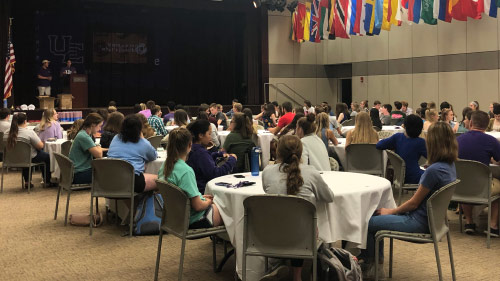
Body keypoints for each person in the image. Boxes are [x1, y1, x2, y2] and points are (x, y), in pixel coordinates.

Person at [359, 122, 457, 278]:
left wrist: (391, 211)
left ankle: (372, 267)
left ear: (432, 142)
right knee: (377, 217)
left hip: (419, 222)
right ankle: (375, 264)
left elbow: (413, 203)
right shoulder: (449, 166)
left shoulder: (433, 171)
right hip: (434, 222)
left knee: (368, 221)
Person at [261, 135, 334, 281]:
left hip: (270, 236)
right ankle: (297, 276)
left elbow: (267, 193)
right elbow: (329, 197)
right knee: (304, 225)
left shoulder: (267, 171)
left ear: (278, 152)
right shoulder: (311, 172)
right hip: (304, 238)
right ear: (301, 152)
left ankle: (276, 266)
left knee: (284, 222)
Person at [158, 128, 223, 229]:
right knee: (226, 207)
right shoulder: (186, 171)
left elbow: (184, 195)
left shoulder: (165, 165)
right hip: (193, 220)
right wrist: (208, 202)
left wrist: (201, 198)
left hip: (173, 218)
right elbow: (198, 206)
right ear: (189, 145)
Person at [457, 111, 500, 236]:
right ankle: (493, 225)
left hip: (460, 188)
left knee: (465, 179)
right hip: (482, 189)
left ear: (470, 123)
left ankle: (469, 222)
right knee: (498, 186)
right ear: (487, 126)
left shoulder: (458, 140)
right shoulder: (491, 141)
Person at [108, 114, 158, 193]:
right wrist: (142, 138)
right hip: (131, 182)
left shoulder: (116, 138)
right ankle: (148, 205)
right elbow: (153, 156)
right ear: (139, 129)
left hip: (110, 180)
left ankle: (137, 204)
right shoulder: (143, 143)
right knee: (161, 181)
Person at [186, 119, 237, 193]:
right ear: (200, 135)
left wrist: (216, 154)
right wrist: (232, 160)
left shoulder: (193, 148)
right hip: (204, 191)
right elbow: (215, 174)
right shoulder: (201, 153)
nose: (210, 137)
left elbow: (202, 163)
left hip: (196, 188)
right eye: (209, 134)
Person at [5, 113, 52, 188]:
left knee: (25, 155)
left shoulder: (6, 133)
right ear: (25, 121)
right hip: (29, 157)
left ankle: (27, 181)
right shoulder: (29, 132)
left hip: (10, 158)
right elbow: (40, 146)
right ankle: (47, 181)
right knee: (47, 157)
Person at [376, 115, 427, 184]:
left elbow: (379, 145)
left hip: (400, 176)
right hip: (414, 177)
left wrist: (393, 147)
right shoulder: (421, 142)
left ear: (405, 126)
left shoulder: (397, 137)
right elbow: (432, 157)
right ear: (420, 129)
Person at [69, 113, 104, 184]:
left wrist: (99, 147)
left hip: (78, 171)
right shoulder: (84, 136)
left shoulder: (84, 133)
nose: (100, 129)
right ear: (93, 125)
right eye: (99, 126)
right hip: (79, 174)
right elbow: (99, 155)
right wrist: (98, 145)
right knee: (110, 172)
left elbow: (96, 149)